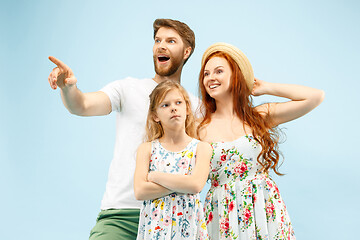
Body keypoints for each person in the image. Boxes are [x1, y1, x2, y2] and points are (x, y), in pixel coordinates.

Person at [47, 19, 198, 239]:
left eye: (170, 41)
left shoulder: (195, 107)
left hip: (173, 214)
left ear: (186, 51)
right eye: (157, 40)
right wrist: (68, 87)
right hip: (121, 215)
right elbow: (82, 105)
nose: (161, 46)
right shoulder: (128, 89)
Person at [197, 42, 325, 239]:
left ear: (236, 75)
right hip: (222, 213)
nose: (210, 78)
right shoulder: (198, 128)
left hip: (264, 208)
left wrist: (266, 87)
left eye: (219, 71)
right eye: (206, 74)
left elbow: (315, 97)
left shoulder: (259, 116)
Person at [134, 80, 211, 239]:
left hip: (188, 227)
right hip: (155, 228)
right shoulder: (147, 149)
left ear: (187, 108)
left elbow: (196, 185)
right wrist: (184, 184)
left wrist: (155, 177)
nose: (173, 108)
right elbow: (140, 191)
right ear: (155, 116)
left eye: (178, 102)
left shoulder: (201, 148)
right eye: (165, 105)